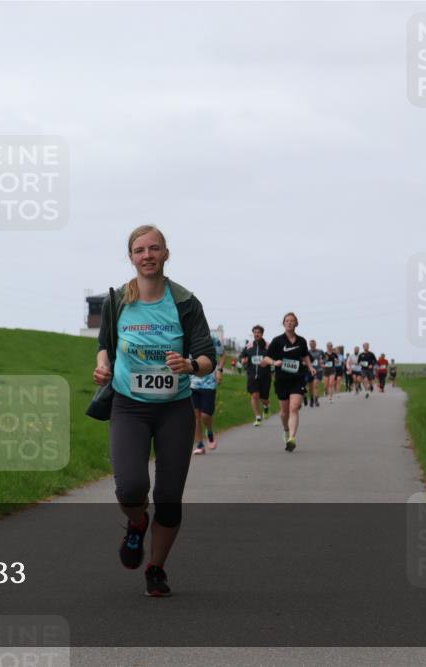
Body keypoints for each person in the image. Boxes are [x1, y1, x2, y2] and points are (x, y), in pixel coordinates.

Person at [93, 224, 216, 597]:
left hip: (175, 408)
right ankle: (136, 522)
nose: (147, 255)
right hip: (129, 406)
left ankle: (156, 568)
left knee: (168, 497)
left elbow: (208, 357)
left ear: (166, 254)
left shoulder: (184, 302)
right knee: (130, 487)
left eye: (154, 249)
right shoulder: (117, 301)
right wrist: (103, 366)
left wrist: (190, 366)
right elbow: (104, 346)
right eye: (139, 250)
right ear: (131, 257)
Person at [263, 313, 315, 451]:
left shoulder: (301, 341)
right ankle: (286, 429)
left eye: (292, 321)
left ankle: (292, 438)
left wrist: (310, 367)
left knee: (294, 407)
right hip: (282, 380)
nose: (290, 323)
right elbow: (266, 358)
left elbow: (305, 356)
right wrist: (275, 362)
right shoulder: (277, 341)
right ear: (283, 323)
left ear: (296, 324)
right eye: (287, 321)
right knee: (284, 412)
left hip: (297, 378)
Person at [192, 335, 226, 455]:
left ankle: (210, 432)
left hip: (209, 383)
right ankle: (200, 444)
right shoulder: (185, 336)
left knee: (206, 416)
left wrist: (219, 370)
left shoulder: (211, 338)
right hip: (191, 384)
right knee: (195, 417)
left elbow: (222, 355)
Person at [239, 325, 272, 426]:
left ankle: (266, 407)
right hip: (252, 375)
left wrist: (268, 362)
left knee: (264, 398)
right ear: (253, 333)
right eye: (255, 332)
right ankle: (258, 417)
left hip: (265, 376)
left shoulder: (268, 346)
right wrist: (243, 360)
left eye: (258, 332)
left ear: (262, 334)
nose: (256, 334)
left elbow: (274, 357)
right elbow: (241, 356)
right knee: (254, 395)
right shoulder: (249, 346)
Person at [307, 339, 324, 408]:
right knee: (310, 387)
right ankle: (311, 399)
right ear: (309, 345)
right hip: (309, 371)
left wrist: (323, 361)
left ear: (315, 345)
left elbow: (326, 357)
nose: (312, 346)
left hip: (318, 370)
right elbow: (303, 359)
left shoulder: (320, 351)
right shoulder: (307, 352)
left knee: (315, 385)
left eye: (313, 344)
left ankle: (316, 400)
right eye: (311, 345)